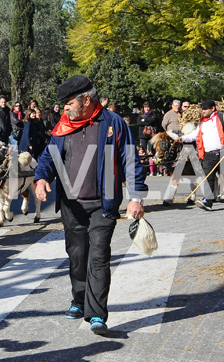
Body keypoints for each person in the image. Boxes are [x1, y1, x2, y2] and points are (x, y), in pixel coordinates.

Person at [33, 75, 147, 336]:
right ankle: (79, 299)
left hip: (103, 204)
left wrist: (136, 197)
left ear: (86, 99)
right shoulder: (64, 125)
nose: (65, 108)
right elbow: (48, 157)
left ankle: (96, 313)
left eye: (69, 102)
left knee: (98, 256)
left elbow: (131, 161)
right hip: (71, 204)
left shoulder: (113, 123)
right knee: (77, 256)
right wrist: (40, 179)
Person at [180, 99, 224, 211]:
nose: (203, 111)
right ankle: (208, 201)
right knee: (208, 177)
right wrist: (182, 138)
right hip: (208, 154)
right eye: (202, 109)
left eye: (205, 109)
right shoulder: (202, 122)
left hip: (223, 151)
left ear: (212, 108)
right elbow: (195, 135)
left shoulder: (223, 117)